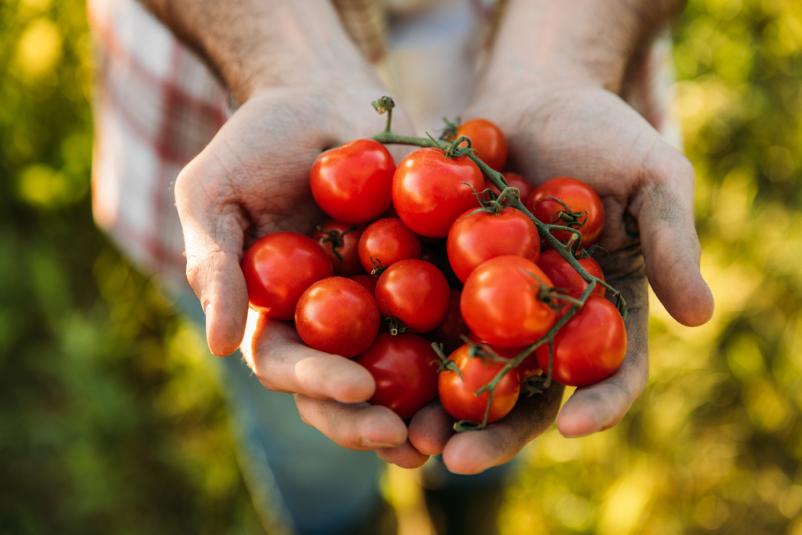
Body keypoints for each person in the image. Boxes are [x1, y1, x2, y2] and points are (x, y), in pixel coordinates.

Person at [88, 0, 714, 532]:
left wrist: (565, 62)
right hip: (222, 95)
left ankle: (467, 505)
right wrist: (286, 65)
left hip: (564, 43)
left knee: (490, 430)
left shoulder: (517, 254)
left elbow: (490, 306)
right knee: (309, 439)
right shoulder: (516, 250)